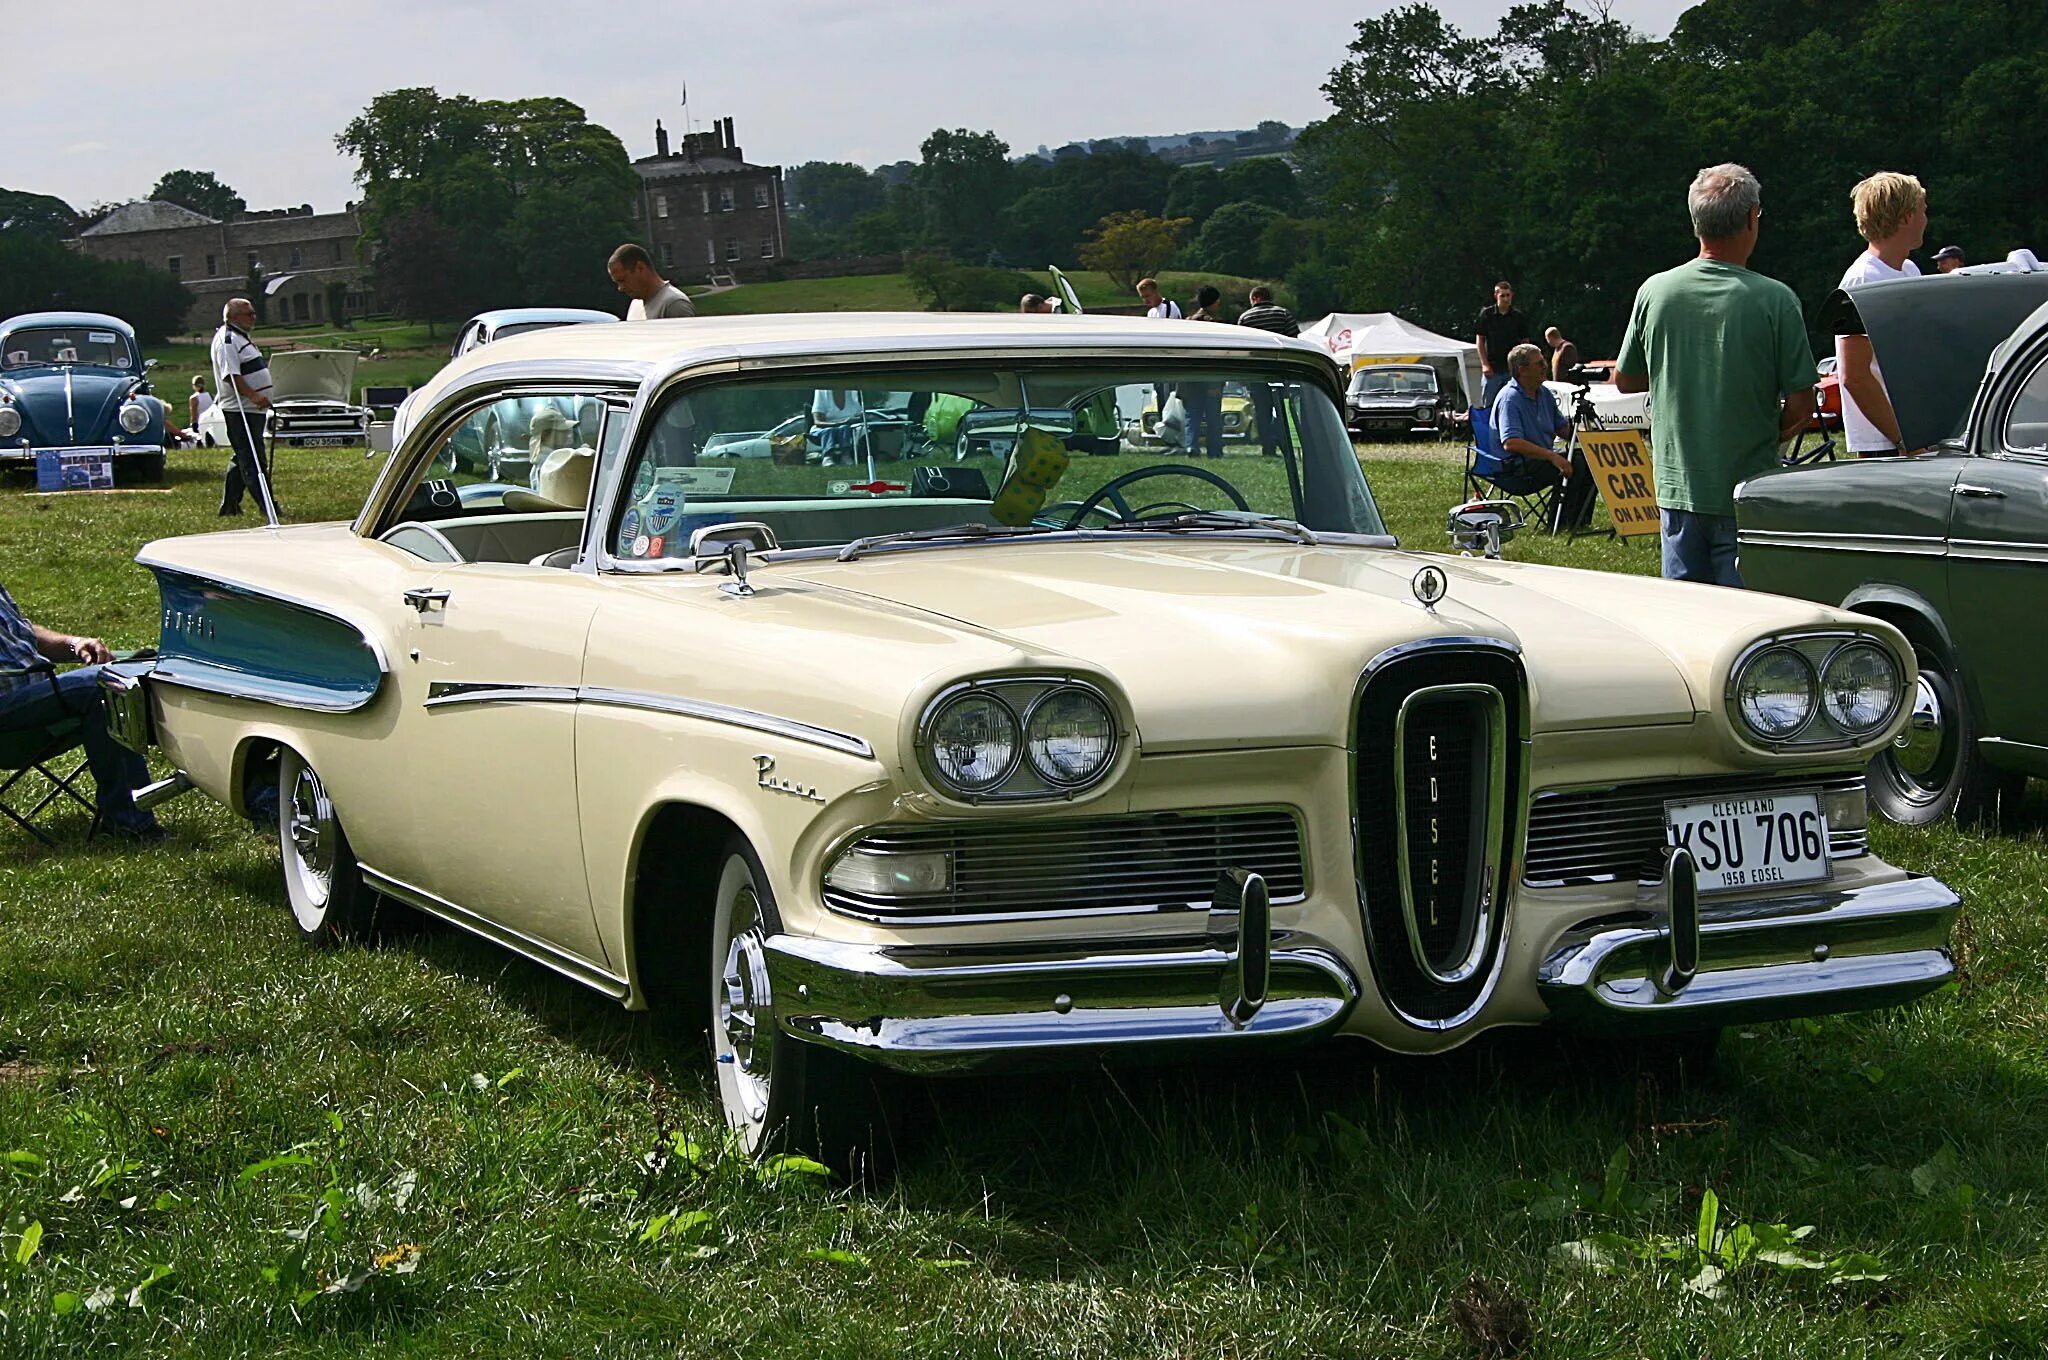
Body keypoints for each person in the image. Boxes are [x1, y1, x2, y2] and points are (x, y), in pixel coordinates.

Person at [1614, 163, 1815, 588]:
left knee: (1685, 624)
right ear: (1750, 219)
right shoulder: (1776, 300)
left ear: (1696, 223)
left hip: (1676, 487)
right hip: (1746, 493)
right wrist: (1763, 433)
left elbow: (1627, 379)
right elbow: (1801, 407)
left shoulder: (1655, 292)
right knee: (1747, 631)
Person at [0, 581, 161, 841]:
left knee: (147, 668)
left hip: (38, 695)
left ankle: (225, 783)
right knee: (106, 684)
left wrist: (74, 644)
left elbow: (20, 632)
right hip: (7, 717)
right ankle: (132, 824)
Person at [1836, 172, 1928, 457]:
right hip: (1885, 444)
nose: (1926, 219)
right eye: (1923, 211)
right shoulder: (1862, 281)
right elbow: (1854, 375)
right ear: (1905, 218)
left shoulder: (1910, 271)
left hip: (1915, 434)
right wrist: (1903, 441)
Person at [210, 298, 276, 519]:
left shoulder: (239, 338)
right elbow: (230, 374)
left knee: (243, 457)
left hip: (252, 409)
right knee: (253, 459)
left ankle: (229, 506)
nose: (254, 317)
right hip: (240, 409)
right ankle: (268, 506)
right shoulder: (227, 340)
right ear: (234, 317)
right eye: (250, 314)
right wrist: (254, 395)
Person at [1491, 343, 1575, 495]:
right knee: (1580, 465)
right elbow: (1511, 443)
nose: (1545, 366)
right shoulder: (1510, 399)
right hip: (1516, 469)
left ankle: (1574, 517)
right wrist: (1552, 456)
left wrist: (1586, 437)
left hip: (1539, 461)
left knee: (1590, 460)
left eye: (1544, 361)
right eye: (1540, 364)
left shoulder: (1545, 394)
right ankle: (1562, 517)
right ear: (1523, 370)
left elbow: (1562, 428)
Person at [1237, 285, 1299, 457]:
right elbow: (1293, 340)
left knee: (1262, 412)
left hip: (1258, 373)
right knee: (1282, 411)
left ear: (1255, 298)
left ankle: (1268, 448)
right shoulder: (1284, 314)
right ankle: (1284, 443)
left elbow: (1242, 348)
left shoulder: (1245, 317)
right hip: (1280, 370)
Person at [1181, 285, 1228, 459]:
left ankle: (1191, 446)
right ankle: (1214, 450)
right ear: (1215, 302)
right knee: (1213, 417)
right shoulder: (1216, 324)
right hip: (1211, 376)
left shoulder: (1187, 322)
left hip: (1190, 376)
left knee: (1192, 415)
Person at [1475, 281, 1535, 407]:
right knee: (1489, 406)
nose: (1506, 299)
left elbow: (1525, 344)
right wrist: (1485, 364)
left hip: (1512, 369)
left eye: (1508, 295)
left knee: (1514, 403)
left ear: (1512, 295)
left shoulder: (1518, 317)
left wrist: (1524, 365)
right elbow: (1480, 341)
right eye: (1502, 296)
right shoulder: (1486, 315)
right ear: (1496, 296)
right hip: (1492, 369)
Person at [608, 243, 696, 319]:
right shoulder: (635, 304)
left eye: (623, 280)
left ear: (640, 268)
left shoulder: (675, 305)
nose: (620, 288)